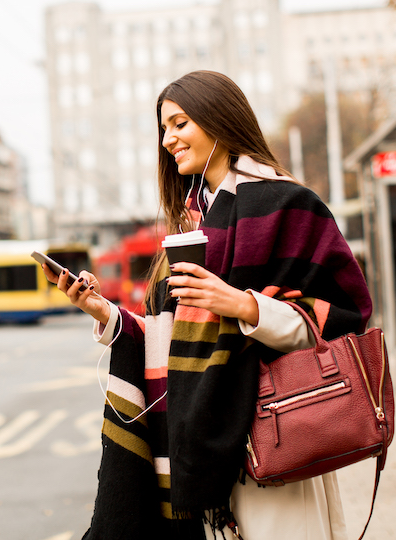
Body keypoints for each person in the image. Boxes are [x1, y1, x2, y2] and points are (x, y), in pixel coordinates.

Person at [42, 70, 372, 540]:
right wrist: (106, 313)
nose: (167, 139)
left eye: (179, 124)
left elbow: (346, 319)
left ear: (217, 119)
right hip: (202, 453)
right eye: (163, 128)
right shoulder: (192, 222)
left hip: (273, 440)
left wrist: (244, 306)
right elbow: (171, 332)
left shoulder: (289, 204)